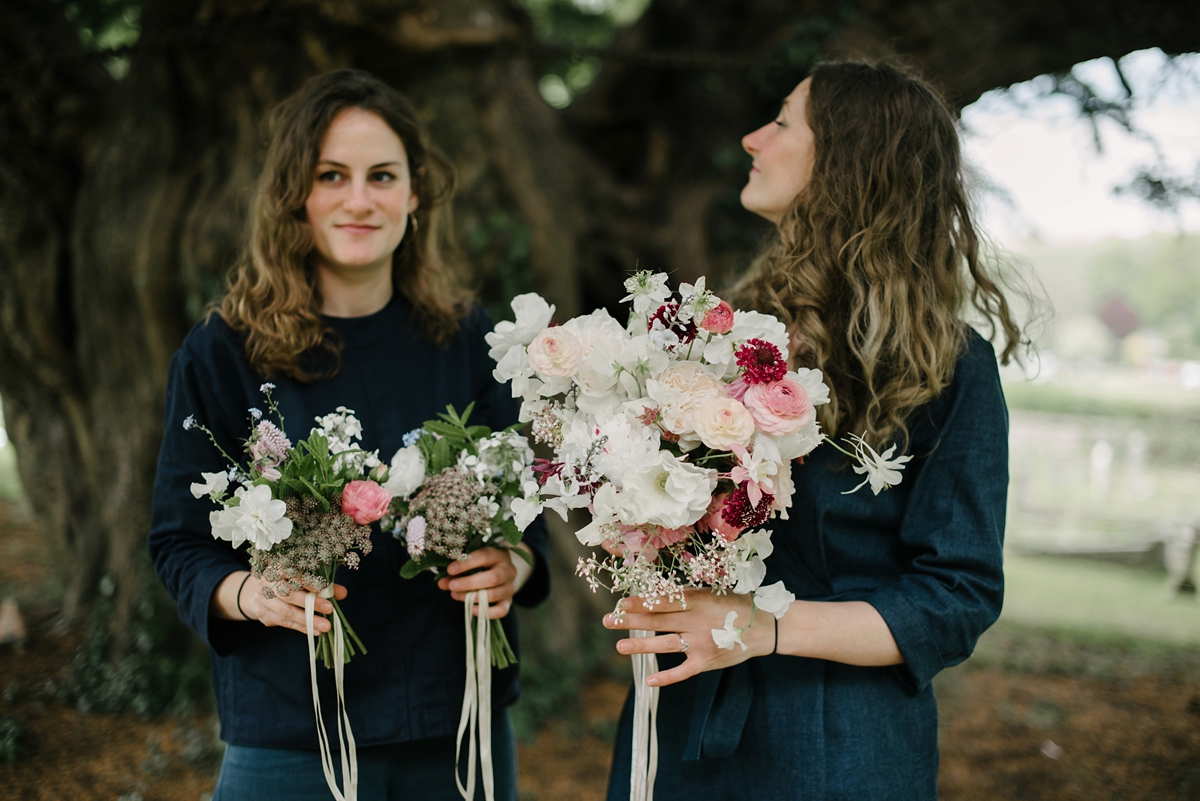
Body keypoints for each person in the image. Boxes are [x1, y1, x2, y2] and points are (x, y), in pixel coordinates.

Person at [604, 61, 1021, 799]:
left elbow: (956, 597)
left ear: (847, 160)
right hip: (684, 720)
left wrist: (760, 625)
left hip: (837, 741)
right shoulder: (724, 331)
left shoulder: (947, 365)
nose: (752, 137)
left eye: (784, 122)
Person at [149, 69, 549, 800]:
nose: (359, 200)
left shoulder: (471, 340)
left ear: (415, 194)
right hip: (291, 730)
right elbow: (177, 540)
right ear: (295, 194)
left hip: (456, 724)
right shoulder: (222, 353)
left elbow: (525, 507)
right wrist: (248, 593)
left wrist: (512, 564)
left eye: (382, 176)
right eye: (332, 175)